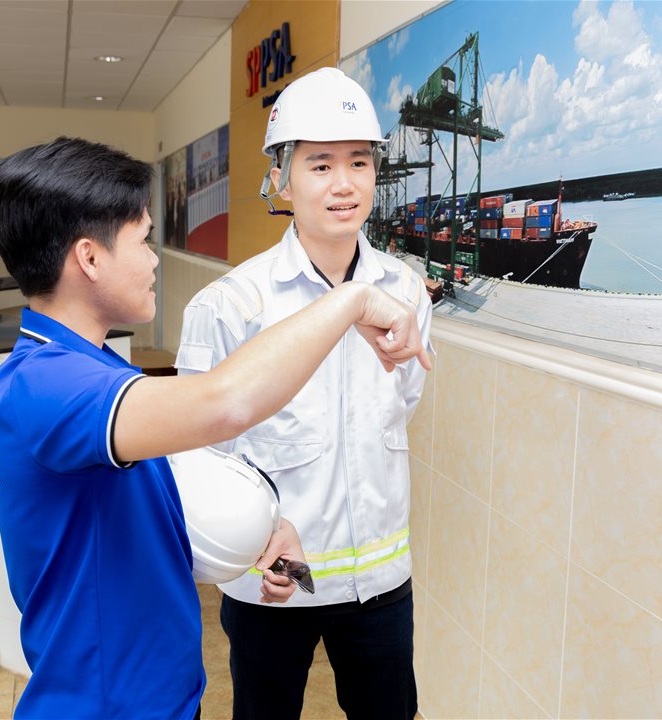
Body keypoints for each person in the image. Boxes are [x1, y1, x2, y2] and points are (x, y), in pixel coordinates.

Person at [0, 136, 430, 719]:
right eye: (143, 241)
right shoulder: (46, 385)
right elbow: (225, 405)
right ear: (89, 258)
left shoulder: (95, 369)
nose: (154, 260)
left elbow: (165, 492)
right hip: (107, 706)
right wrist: (353, 302)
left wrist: (267, 526)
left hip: (160, 696)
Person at [176, 67, 433, 720]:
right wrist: (256, 533)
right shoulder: (232, 303)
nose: (344, 183)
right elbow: (194, 452)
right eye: (320, 165)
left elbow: (398, 411)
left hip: (379, 584)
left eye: (359, 162)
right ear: (282, 180)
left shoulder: (406, 292)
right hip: (274, 581)